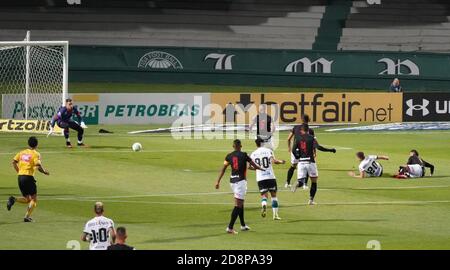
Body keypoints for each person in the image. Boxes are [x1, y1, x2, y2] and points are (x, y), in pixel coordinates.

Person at [215, 139, 265, 234]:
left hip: (232, 182)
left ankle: (243, 225)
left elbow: (223, 169)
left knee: (240, 203)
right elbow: (254, 165)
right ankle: (230, 228)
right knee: (238, 206)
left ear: (233, 146)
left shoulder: (229, 156)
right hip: (240, 182)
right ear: (240, 146)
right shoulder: (244, 155)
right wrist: (261, 169)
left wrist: (217, 181)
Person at [7, 136, 50, 222]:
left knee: (27, 199)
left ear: (28, 143)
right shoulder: (36, 154)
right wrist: (44, 172)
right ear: (37, 144)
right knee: (34, 199)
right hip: (29, 177)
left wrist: (19, 171)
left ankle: (13, 199)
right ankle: (26, 217)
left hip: (20, 177)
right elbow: (38, 166)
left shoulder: (22, 152)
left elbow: (14, 162)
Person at [291, 124, 335, 205]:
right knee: (314, 182)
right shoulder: (311, 138)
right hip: (310, 162)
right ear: (308, 130)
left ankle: (298, 183)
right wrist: (330, 150)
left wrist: (298, 156)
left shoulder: (297, 138)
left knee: (301, 181)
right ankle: (311, 200)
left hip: (301, 162)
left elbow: (293, 150)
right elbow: (319, 147)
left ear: (302, 130)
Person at [249, 138, 285, 220]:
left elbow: (249, 167)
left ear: (256, 144)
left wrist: (257, 168)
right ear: (263, 143)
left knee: (264, 196)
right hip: (270, 177)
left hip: (260, 178)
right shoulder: (268, 151)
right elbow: (274, 161)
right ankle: (275, 215)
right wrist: (281, 162)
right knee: (274, 196)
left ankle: (264, 204)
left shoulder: (253, 154)